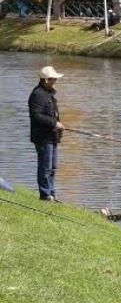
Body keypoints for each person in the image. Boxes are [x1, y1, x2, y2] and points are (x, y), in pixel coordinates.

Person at [29, 66, 65, 202]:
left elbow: (53, 114)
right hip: (43, 137)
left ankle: (51, 194)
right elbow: (36, 116)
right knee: (45, 167)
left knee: (53, 167)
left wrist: (58, 126)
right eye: (53, 79)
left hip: (52, 136)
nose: (56, 81)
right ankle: (45, 195)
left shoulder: (49, 93)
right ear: (45, 80)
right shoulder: (38, 94)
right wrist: (54, 123)